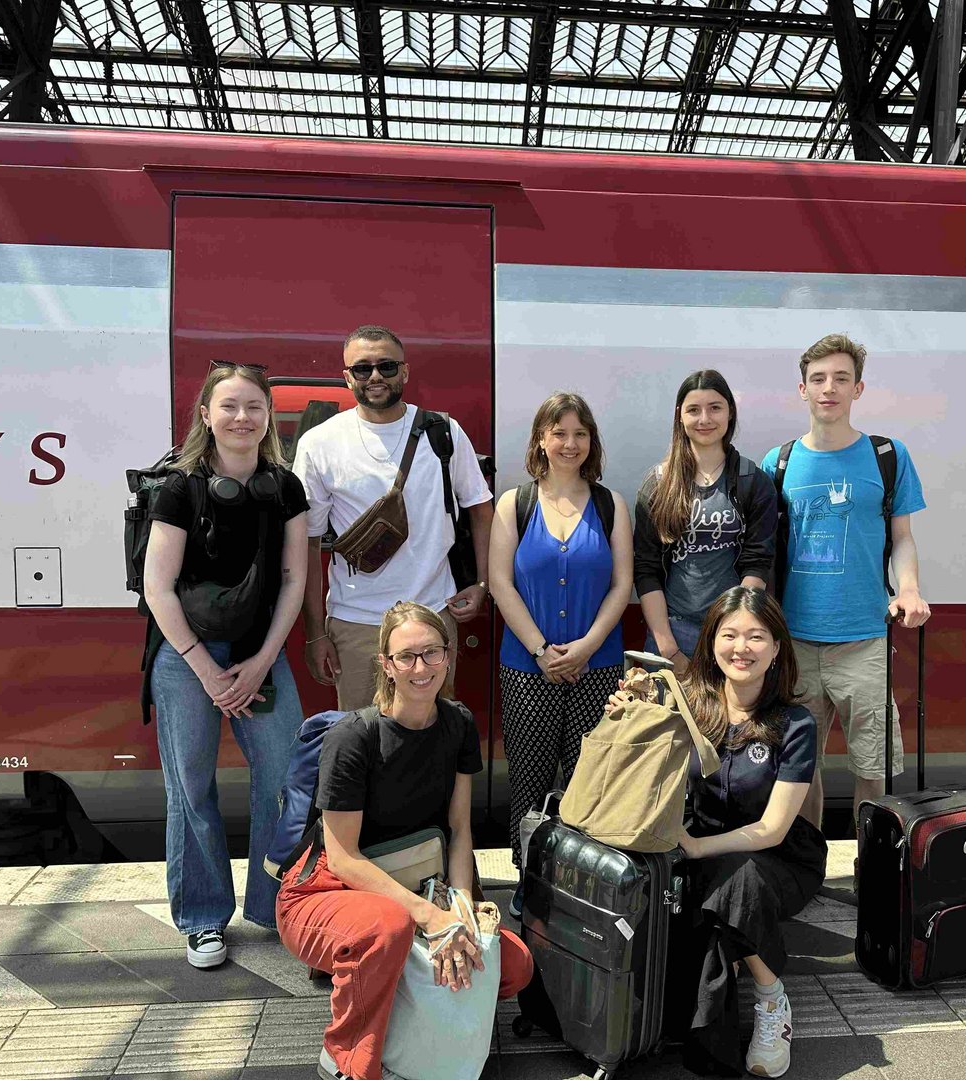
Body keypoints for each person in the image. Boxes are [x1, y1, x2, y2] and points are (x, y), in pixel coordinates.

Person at [275, 602, 535, 1080]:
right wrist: (431, 917)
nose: (421, 668)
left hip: (417, 884)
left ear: (448, 656)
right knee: (388, 929)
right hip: (324, 892)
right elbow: (344, 859)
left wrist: (457, 907)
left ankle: (387, 988)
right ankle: (345, 1057)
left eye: (431, 653)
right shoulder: (353, 738)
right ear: (385, 666)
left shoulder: (457, 723)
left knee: (512, 963)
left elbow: (459, 831)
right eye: (406, 657)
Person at [612, 587, 824, 1078]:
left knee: (739, 883)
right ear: (711, 643)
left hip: (779, 860)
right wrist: (623, 712)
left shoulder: (795, 724)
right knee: (709, 910)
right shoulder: (686, 705)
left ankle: (772, 1002)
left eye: (756, 637)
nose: (740, 648)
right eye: (729, 635)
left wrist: (697, 846)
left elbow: (772, 830)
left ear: (776, 649)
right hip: (700, 853)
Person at [142, 360, 310, 970]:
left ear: (269, 417)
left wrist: (263, 660)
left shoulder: (285, 487)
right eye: (230, 406)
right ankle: (203, 919)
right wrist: (206, 671)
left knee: (286, 778)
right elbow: (157, 588)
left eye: (255, 407)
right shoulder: (178, 489)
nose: (243, 418)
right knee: (190, 788)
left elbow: (294, 579)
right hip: (186, 656)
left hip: (259, 653)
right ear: (206, 416)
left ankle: (277, 908)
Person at [759, 333, 930, 857]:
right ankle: (806, 866)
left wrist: (909, 590)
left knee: (872, 769)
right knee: (798, 771)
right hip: (794, 644)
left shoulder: (887, 457)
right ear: (802, 390)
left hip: (865, 642)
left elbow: (901, 537)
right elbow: (762, 553)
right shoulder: (779, 463)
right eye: (818, 379)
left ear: (858, 388)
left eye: (839, 379)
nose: (828, 389)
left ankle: (872, 871)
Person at [293, 325, 494, 711]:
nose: (374, 377)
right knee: (361, 743)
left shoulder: (445, 433)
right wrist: (316, 633)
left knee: (431, 739)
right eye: (362, 368)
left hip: (432, 616)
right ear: (346, 377)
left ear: (405, 372)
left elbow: (481, 510)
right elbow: (308, 543)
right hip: (355, 623)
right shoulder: (319, 443)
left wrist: (482, 583)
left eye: (386, 367)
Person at [490, 392, 633, 916]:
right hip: (527, 667)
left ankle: (579, 889)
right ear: (541, 440)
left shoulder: (610, 504)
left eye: (579, 433)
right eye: (559, 433)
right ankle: (528, 885)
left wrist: (587, 646)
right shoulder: (515, 503)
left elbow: (623, 585)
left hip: (599, 667)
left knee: (589, 779)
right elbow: (500, 583)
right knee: (529, 779)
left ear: (590, 441)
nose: (569, 443)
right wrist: (542, 649)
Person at [634, 370, 777, 671]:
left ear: (730, 412)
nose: (705, 419)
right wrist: (668, 648)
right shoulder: (657, 483)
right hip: (672, 632)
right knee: (669, 720)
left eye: (715, 408)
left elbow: (757, 563)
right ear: (679, 415)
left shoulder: (753, 482)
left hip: (731, 635)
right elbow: (646, 568)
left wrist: (737, 633)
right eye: (694, 410)